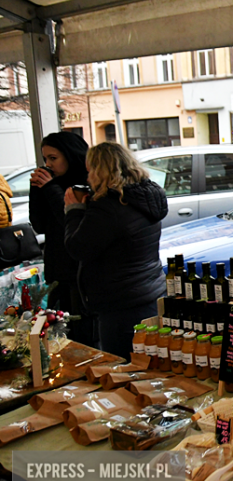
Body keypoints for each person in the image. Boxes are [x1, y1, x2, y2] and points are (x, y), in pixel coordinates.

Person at [63, 142, 168, 357]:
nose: (87, 176)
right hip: (149, 293)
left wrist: (73, 211)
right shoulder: (145, 196)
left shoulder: (108, 208)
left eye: (90, 170)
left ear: (100, 170)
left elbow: (78, 248)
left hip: (120, 304)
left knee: (123, 367)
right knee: (148, 365)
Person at [29, 132, 96, 346]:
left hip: (79, 272)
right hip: (57, 269)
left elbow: (68, 219)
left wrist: (49, 188)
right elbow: (39, 225)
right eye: (45, 159)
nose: (48, 165)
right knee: (61, 333)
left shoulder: (85, 185)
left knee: (83, 332)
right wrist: (36, 191)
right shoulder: (51, 185)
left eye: (53, 158)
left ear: (70, 155)